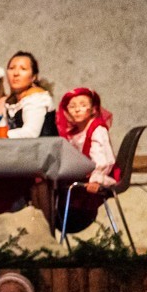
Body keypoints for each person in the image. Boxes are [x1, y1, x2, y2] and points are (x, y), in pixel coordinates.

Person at [55, 87, 118, 233]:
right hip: (80, 176)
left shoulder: (97, 129)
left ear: (93, 109)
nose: (77, 110)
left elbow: (104, 159)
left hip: (98, 176)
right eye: (72, 106)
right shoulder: (74, 133)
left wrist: (96, 178)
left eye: (83, 105)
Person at [0, 52, 53, 139]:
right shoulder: (11, 102)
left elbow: (31, 133)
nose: (16, 73)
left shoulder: (37, 98)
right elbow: (2, 127)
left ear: (33, 77)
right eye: (11, 68)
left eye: (23, 69)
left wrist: (2, 134)